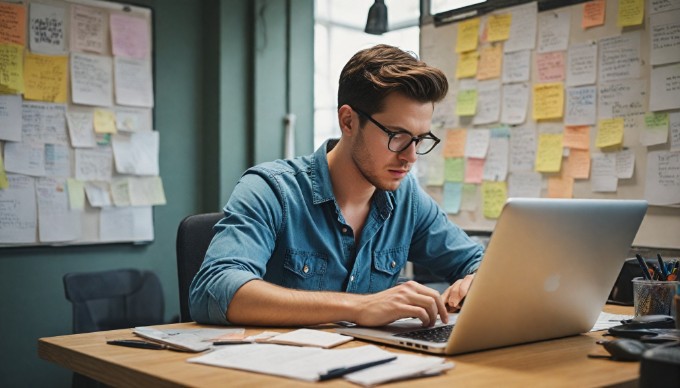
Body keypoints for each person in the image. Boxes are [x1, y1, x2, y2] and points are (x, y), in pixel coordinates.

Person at [189, 44, 484, 328]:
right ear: (348, 121)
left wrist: (476, 280)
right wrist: (359, 307)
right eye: (397, 135)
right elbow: (214, 289)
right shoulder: (270, 190)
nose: (410, 157)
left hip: (373, 371)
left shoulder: (408, 200)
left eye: (420, 139)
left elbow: (479, 262)